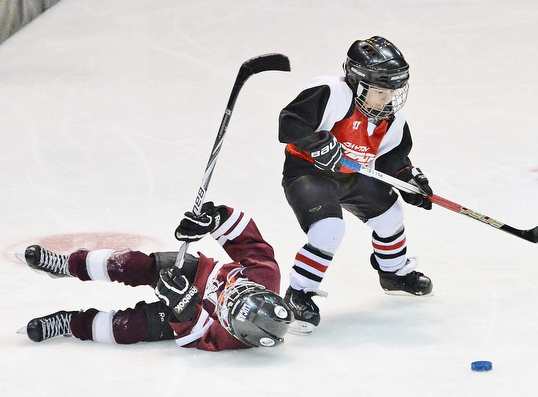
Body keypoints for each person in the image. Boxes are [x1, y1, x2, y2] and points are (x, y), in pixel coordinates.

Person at [278, 36, 434, 334]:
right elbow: (290, 121)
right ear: (358, 83)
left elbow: (392, 159)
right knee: (329, 229)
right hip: (308, 174)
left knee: (390, 215)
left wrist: (408, 180)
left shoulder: (392, 120)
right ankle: (299, 294)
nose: (386, 99)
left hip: (351, 177)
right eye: (379, 91)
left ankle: (393, 274)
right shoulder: (331, 92)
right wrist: (316, 143)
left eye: (392, 91)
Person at [17, 202, 294, 351]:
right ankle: (68, 265)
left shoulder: (234, 339)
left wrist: (184, 309)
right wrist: (214, 219)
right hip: (197, 273)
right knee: (131, 264)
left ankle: (71, 323)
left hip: (185, 314)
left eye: (228, 306)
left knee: (127, 328)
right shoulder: (265, 273)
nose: (229, 294)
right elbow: (246, 237)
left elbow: (198, 338)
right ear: (262, 291)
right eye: (240, 292)